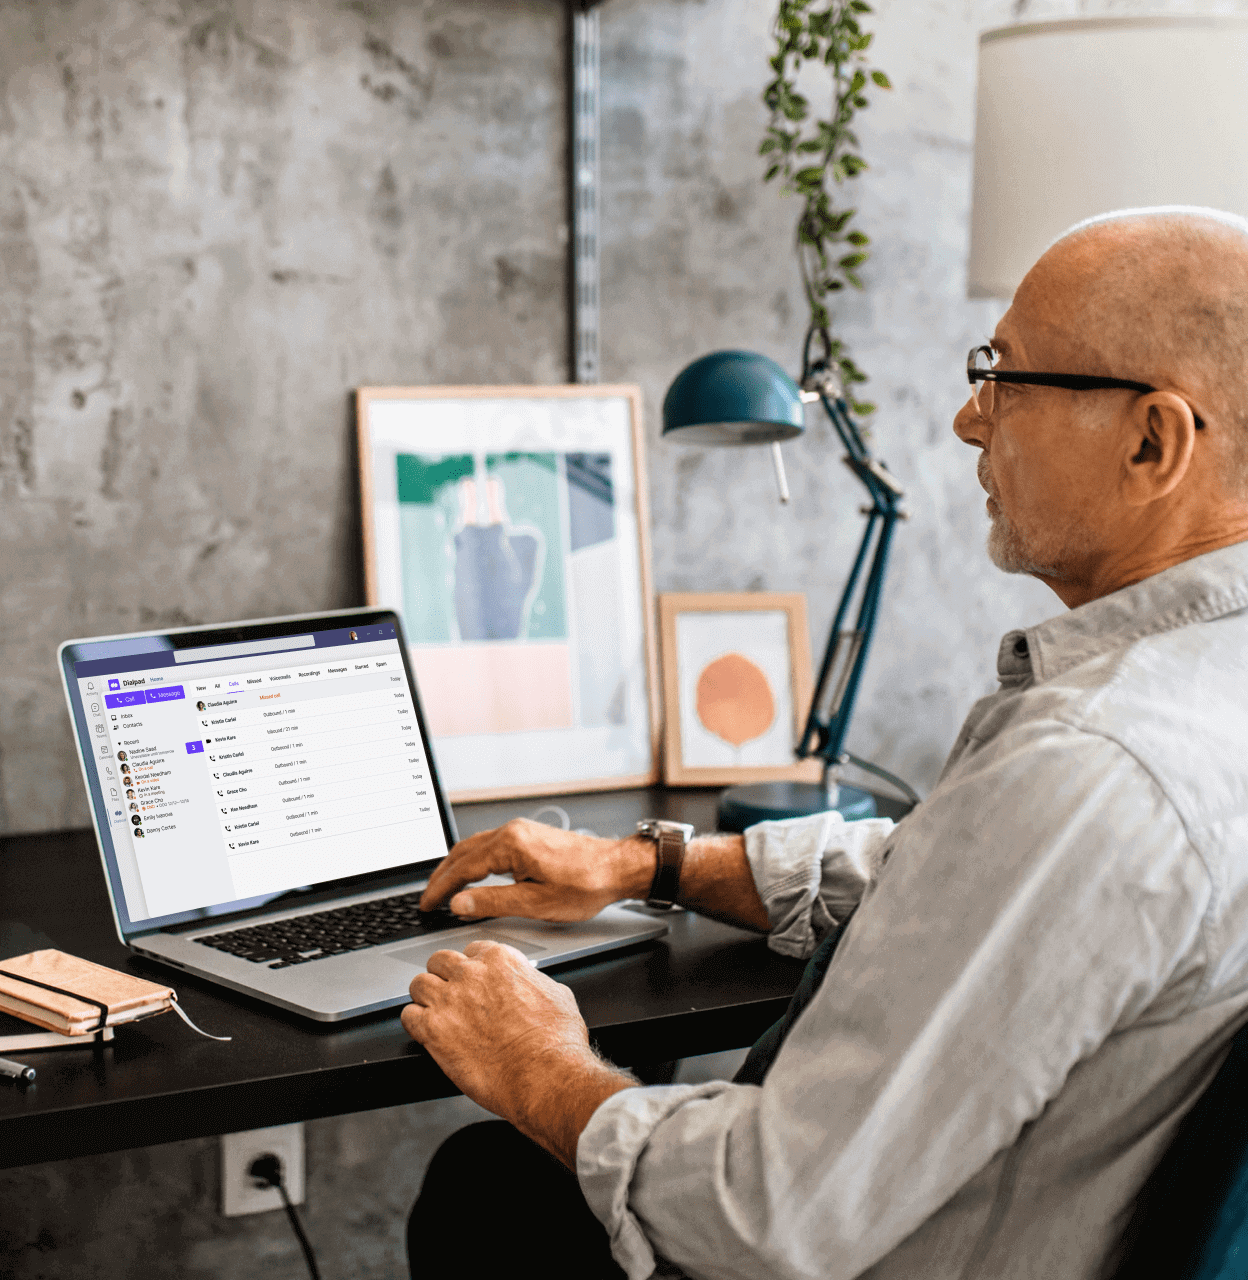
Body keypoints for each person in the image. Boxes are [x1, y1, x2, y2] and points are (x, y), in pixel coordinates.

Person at [401, 208, 1248, 1280]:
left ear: (1151, 442)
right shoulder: (1187, 705)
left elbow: (772, 1213)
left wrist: (542, 1065)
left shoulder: (1088, 764)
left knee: (490, 1189)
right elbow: (964, 885)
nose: (967, 419)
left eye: (1005, 377)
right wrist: (653, 862)